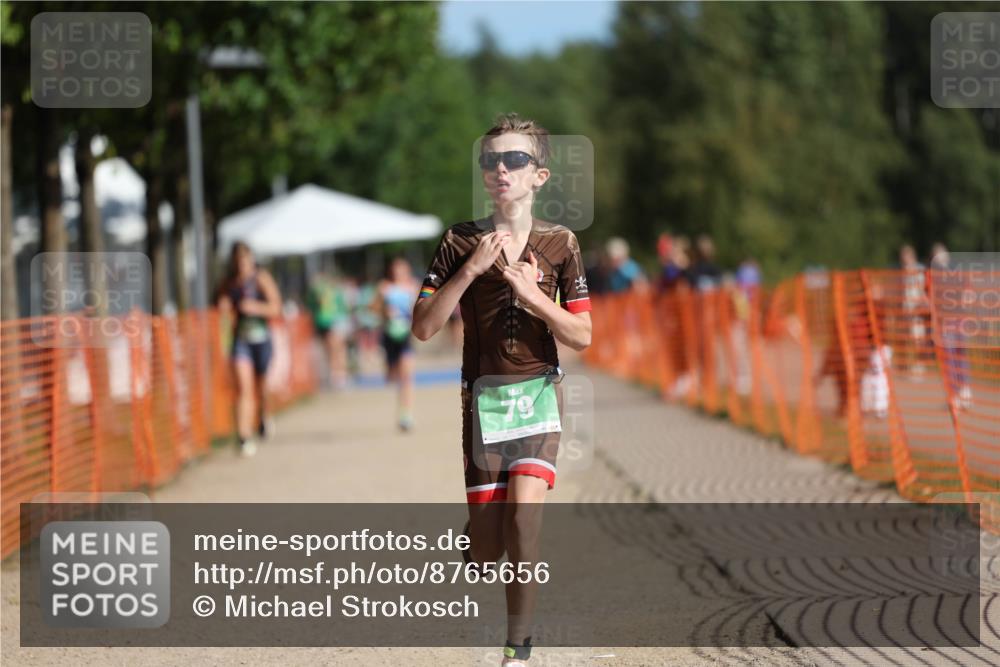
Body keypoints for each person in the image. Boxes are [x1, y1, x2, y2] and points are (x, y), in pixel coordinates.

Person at [411, 113, 592, 666]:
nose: (500, 170)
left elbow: (583, 335)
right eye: (490, 161)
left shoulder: (560, 244)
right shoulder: (459, 239)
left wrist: (533, 294)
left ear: (539, 175)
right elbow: (422, 328)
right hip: (483, 403)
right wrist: (470, 271)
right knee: (489, 552)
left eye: (514, 160)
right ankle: (476, 534)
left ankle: (518, 645)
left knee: (525, 521)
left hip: (538, 395)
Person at [215, 242, 282, 457]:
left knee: (261, 387)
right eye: (238, 260)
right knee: (244, 388)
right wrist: (224, 308)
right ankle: (244, 436)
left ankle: (263, 415)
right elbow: (221, 304)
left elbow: (276, 308)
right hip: (240, 341)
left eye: (245, 259)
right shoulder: (230, 283)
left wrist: (256, 308)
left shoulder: (261, 278)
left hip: (261, 339)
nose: (242, 264)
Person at [373, 257, 418, 431]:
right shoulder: (384, 287)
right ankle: (392, 373)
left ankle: (405, 414)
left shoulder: (413, 286)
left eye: (402, 269)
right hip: (389, 335)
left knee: (407, 377)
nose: (399, 272)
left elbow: (421, 308)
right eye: (396, 269)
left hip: (406, 335)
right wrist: (385, 311)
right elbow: (372, 308)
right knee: (391, 377)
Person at [306, 271, 352, 390]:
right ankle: (336, 376)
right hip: (327, 323)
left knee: (335, 350)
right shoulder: (327, 291)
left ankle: (338, 376)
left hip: (333, 323)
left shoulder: (329, 292)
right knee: (333, 351)